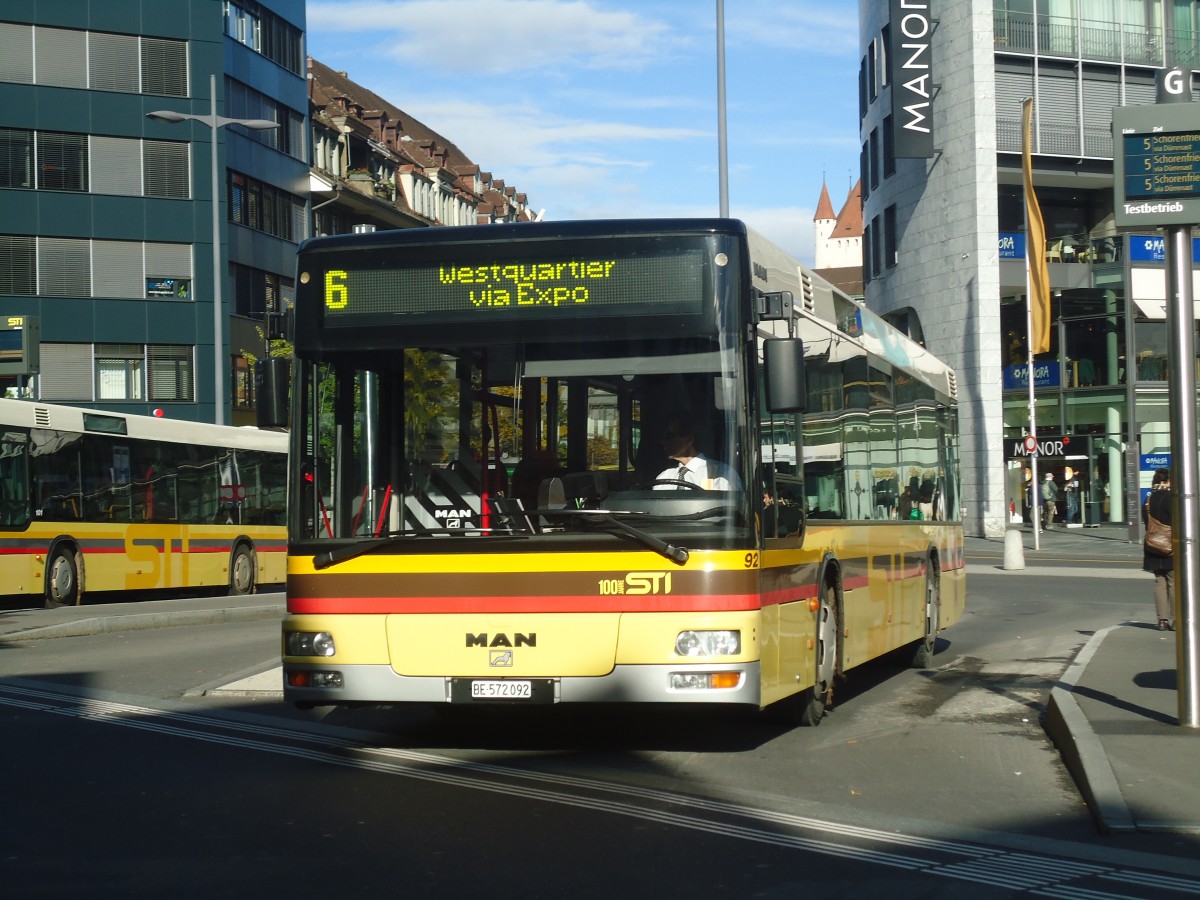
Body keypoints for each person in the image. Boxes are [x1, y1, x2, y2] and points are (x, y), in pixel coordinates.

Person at [654, 418, 741, 490]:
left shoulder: (722, 474)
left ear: (689, 439)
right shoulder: (663, 478)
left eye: (669, 436)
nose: (663, 442)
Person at [1143, 467, 1175, 632]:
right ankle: (1176, 620)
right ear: (1165, 481)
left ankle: (1162, 620)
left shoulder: (1148, 500)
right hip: (1170, 545)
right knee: (1173, 582)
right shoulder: (1171, 499)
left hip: (1153, 546)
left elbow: (1146, 522)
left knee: (1160, 582)